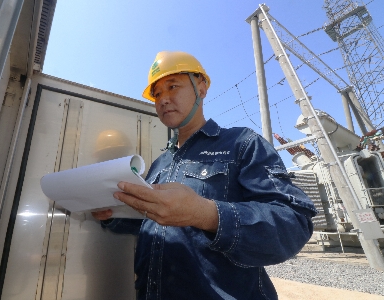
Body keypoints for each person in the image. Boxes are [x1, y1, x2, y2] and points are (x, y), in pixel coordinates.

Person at [92, 51, 317, 299]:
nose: (163, 99)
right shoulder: (160, 163)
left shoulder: (241, 144)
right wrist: (111, 216)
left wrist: (205, 213)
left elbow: (293, 224)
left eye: (172, 86)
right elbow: (153, 223)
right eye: (157, 94)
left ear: (201, 88)